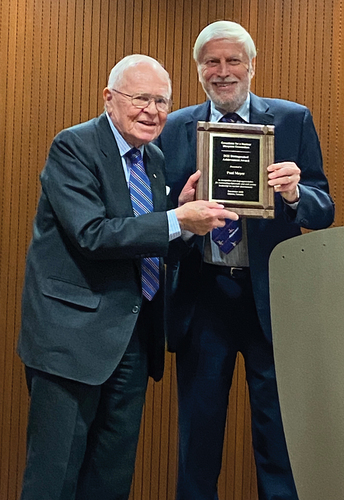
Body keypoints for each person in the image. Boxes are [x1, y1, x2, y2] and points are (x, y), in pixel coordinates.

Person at [17, 53, 238, 500]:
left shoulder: (152, 157)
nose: (152, 111)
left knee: (111, 478)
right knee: (54, 477)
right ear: (109, 99)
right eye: (141, 98)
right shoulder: (73, 146)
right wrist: (176, 218)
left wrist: (185, 216)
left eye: (162, 101)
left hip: (134, 341)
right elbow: (92, 235)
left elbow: (150, 241)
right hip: (70, 343)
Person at [155, 21, 335, 500]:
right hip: (203, 300)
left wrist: (297, 193)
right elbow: (160, 227)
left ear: (252, 66)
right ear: (198, 72)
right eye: (211, 62)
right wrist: (180, 208)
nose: (223, 71)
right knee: (198, 445)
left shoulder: (293, 120)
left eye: (233, 60)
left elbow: (324, 211)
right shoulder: (175, 127)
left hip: (272, 305)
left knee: (278, 442)